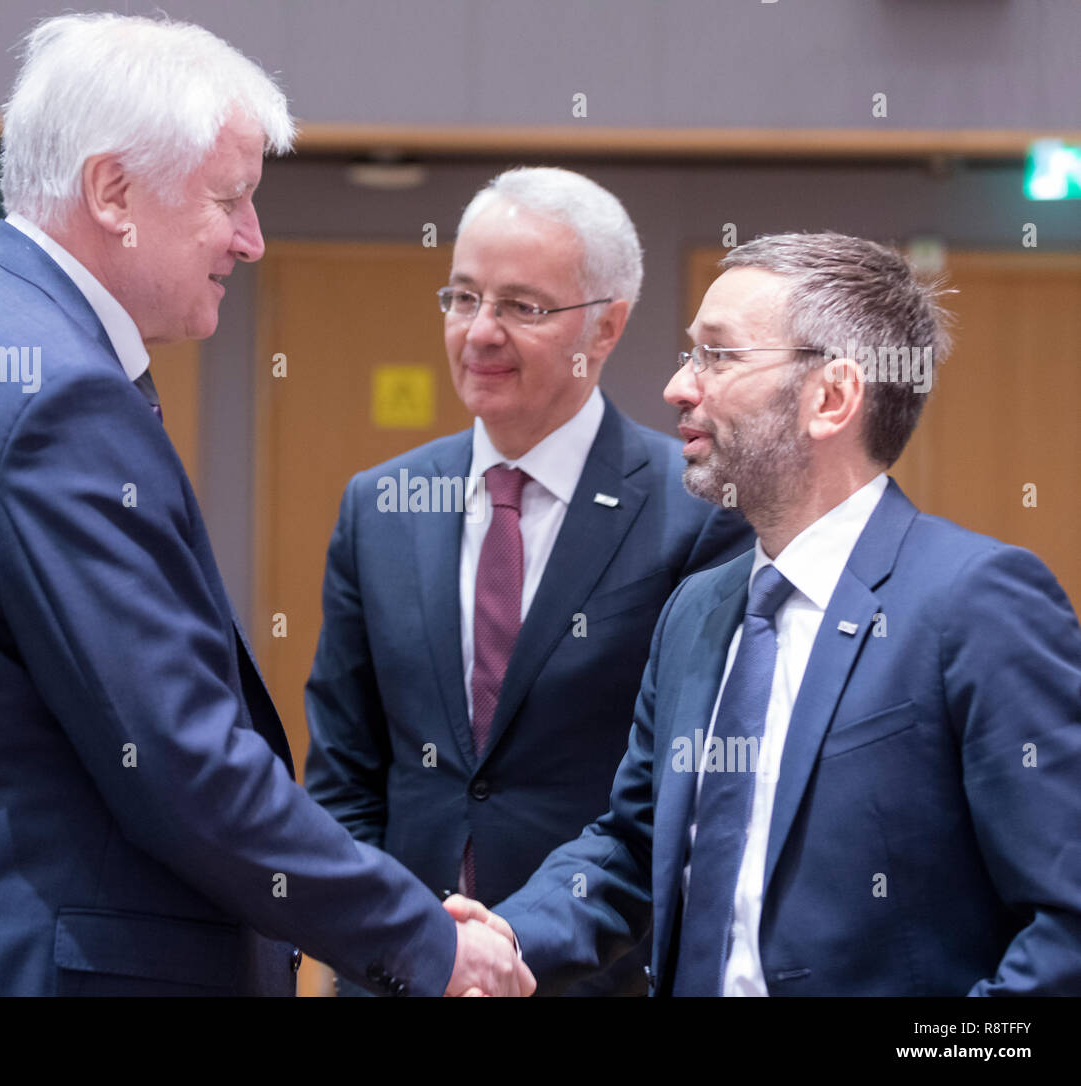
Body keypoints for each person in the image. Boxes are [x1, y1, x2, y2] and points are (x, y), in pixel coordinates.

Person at [0, 13, 528, 998]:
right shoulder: (59, 396)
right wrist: (423, 942)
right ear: (112, 190)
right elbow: (184, 764)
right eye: (231, 200)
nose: (254, 240)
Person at [449, 231, 1081, 996]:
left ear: (832, 398)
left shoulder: (977, 602)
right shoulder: (698, 608)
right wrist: (507, 935)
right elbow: (634, 844)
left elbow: (1065, 928)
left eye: (718, 356)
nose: (680, 386)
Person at [305, 167, 751, 996]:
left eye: (522, 306)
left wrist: (515, 953)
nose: (479, 331)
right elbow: (344, 776)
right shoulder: (380, 506)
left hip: (593, 978)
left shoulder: (695, 515)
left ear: (607, 326)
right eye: (463, 297)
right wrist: (399, 944)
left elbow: (681, 797)